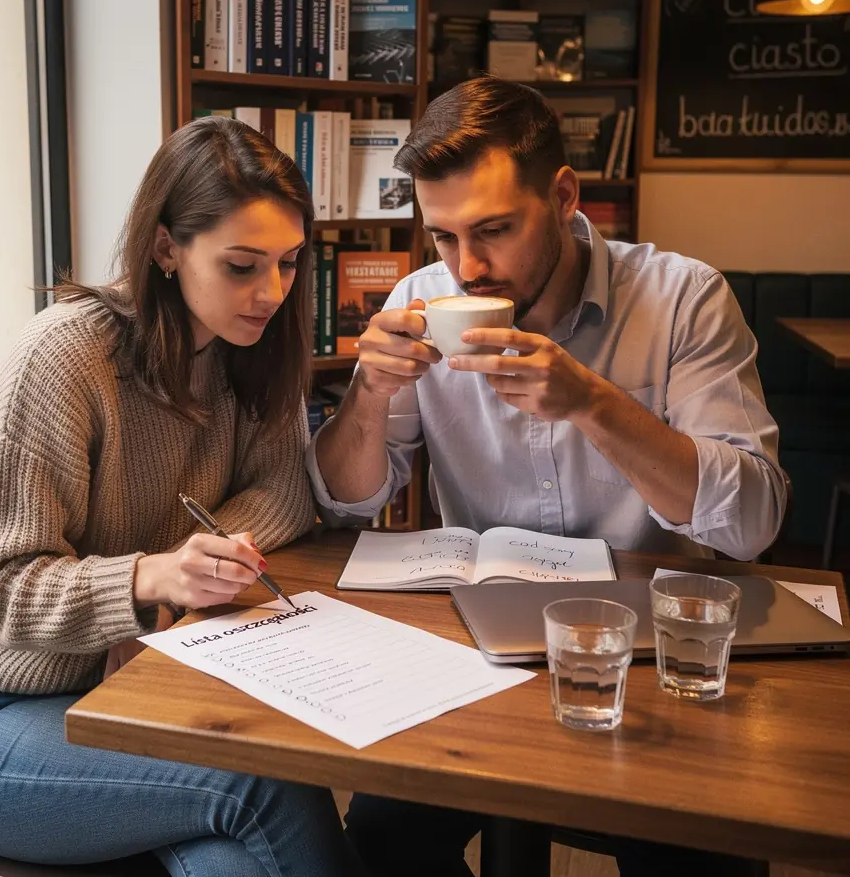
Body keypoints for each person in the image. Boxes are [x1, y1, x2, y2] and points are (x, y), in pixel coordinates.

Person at [309, 77, 785, 877]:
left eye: (494, 229)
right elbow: (350, 498)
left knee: (712, 859)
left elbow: (755, 520)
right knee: (381, 846)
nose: (468, 267)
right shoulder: (421, 299)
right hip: (474, 656)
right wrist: (369, 393)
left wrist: (596, 405)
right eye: (443, 238)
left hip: (649, 662)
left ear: (563, 196)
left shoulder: (682, 298)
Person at [0, 116, 365, 877]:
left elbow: (287, 494)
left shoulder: (243, 349)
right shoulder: (60, 361)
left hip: (133, 680)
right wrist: (150, 579)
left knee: (240, 852)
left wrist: (195, 571)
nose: (272, 292)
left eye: (288, 263)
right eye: (242, 265)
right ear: (165, 248)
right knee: (267, 782)